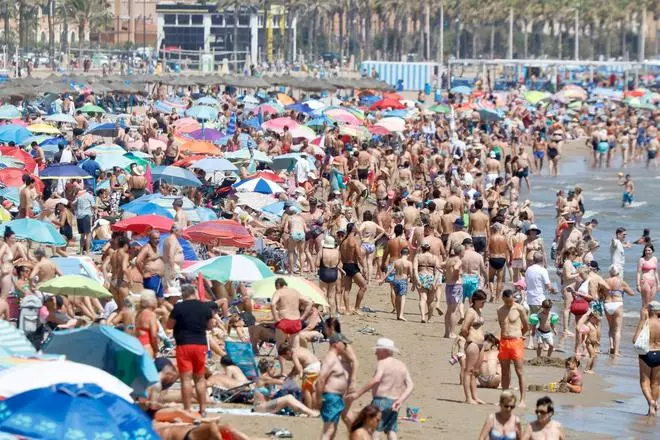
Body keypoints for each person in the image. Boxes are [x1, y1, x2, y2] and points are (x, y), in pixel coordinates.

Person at [348, 338, 414, 440]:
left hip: (380, 401)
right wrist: (400, 400)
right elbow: (410, 385)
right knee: (391, 430)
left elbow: (376, 379)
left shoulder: (383, 363)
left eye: (378, 350)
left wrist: (358, 394)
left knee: (375, 430)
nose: (375, 353)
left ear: (384, 351)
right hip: (395, 402)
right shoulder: (402, 365)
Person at [166, 284, 213, 416]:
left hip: (184, 344)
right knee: (199, 378)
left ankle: (187, 409)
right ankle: (203, 409)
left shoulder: (178, 307)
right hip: (200, 344)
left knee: (186, 379)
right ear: (194, 292)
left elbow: (169, 325)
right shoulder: (205, 306)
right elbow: (210, 326)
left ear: (183, 294)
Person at [497, 289, 529, 408]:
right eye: (506, 301)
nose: (509, 303)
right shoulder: (500, 310)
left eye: (510, 301)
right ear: (503, 299)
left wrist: (519, 335)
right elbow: (502, 325)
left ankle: (522, 400)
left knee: (519, 371)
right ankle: (505, 399)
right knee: (504, 372)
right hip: (504, 342)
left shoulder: (519, 308)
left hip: (516, 341)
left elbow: (526, 326)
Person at [317, 333, 352, 440]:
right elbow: (321, 379)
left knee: (332, 430)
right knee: (329, 430)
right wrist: (319, 398)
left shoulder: (335, 358)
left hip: (335, 398)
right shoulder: (330, 358)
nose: (346, 346)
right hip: (331, 397)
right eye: (344, 344)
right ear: (336, 344)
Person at [633, 300, 660, 417]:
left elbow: (635, 340)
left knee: (644, 382)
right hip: (659, 353)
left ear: (649, 310)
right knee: (656, 383)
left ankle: (651, 402)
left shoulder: (645, 322)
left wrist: (642, 318)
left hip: (646, 354)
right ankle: (652, 410)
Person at [460, 290, 487, 404]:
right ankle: (468, 398)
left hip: (480, 344)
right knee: (468, 371)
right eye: (482, 301)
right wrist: (469, 338)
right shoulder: (470, 312)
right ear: (475, 300)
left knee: (475, 372)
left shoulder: (478, 311)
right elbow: (464, 328)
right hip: (473, 344)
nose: (483, 303)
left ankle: (475, 396)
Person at [271, 277, 313, 348]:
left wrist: (276, 318)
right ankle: (295, 358)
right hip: (296, 321)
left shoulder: (279, 292)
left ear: (278, 285)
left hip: (284, 320)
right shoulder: (295, 291)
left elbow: (272, 304)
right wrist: (302, 317)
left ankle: (282, 358)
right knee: (295, 347)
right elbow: (309, 302)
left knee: (280, 347)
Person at [380, 247, 413, 321]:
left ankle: (398, 315)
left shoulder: (396, 261)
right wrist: (412, 282)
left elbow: (389, 271)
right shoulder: (409, 263)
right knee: (403, 297)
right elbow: (411, 274)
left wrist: (383, 279)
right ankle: (401, 314)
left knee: (397, 298)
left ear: (401, 254)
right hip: (403, 280)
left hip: (395, 280)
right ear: (408, 254)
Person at [317, 235, 341, 316]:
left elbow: (316, 264)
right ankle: (332, 314)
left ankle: (324, 310)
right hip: (334, 273)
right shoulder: (337, 251)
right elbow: (338, 263)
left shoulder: (322, 251)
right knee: (331, 295)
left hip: (324, 272)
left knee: (323, 292)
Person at [636, 244, 659, 308]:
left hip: (654, 282)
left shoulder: (655, 259)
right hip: (645, 281)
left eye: (649, 250)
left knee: (651, 303)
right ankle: (643, 317)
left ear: (652, 251)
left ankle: (648, 317)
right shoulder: (642, 259)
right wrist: (638, 285)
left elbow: (656, 272)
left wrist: (659, 284)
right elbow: (638, 272)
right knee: (646, 302)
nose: (647, 252)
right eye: (646, 250)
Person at [74, 188, 95, 254]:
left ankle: (81, 251)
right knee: (88, 234)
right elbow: (93, 206)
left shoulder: (79, 197)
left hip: (79, 216)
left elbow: (74, 204)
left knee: (82, 235)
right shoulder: (90, 196)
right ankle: (88, 251)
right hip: (86, 215)